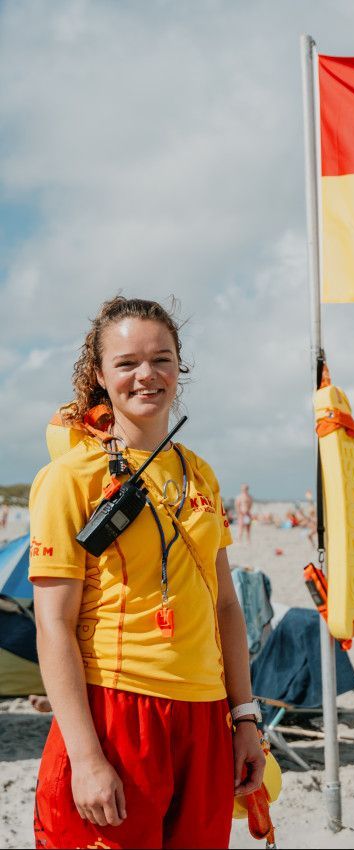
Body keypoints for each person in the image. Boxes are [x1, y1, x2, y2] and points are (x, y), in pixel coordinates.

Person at [29, 297, 264, 848]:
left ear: (179, 366)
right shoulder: (71, 477)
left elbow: (226, 606)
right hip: (115, 709)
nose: (146, 375)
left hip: (206, 716)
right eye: (127, 362)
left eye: (162, 358)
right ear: (100, 374)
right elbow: (52, 627)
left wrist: (245, 718)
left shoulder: (199, 472)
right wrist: (86, 758)